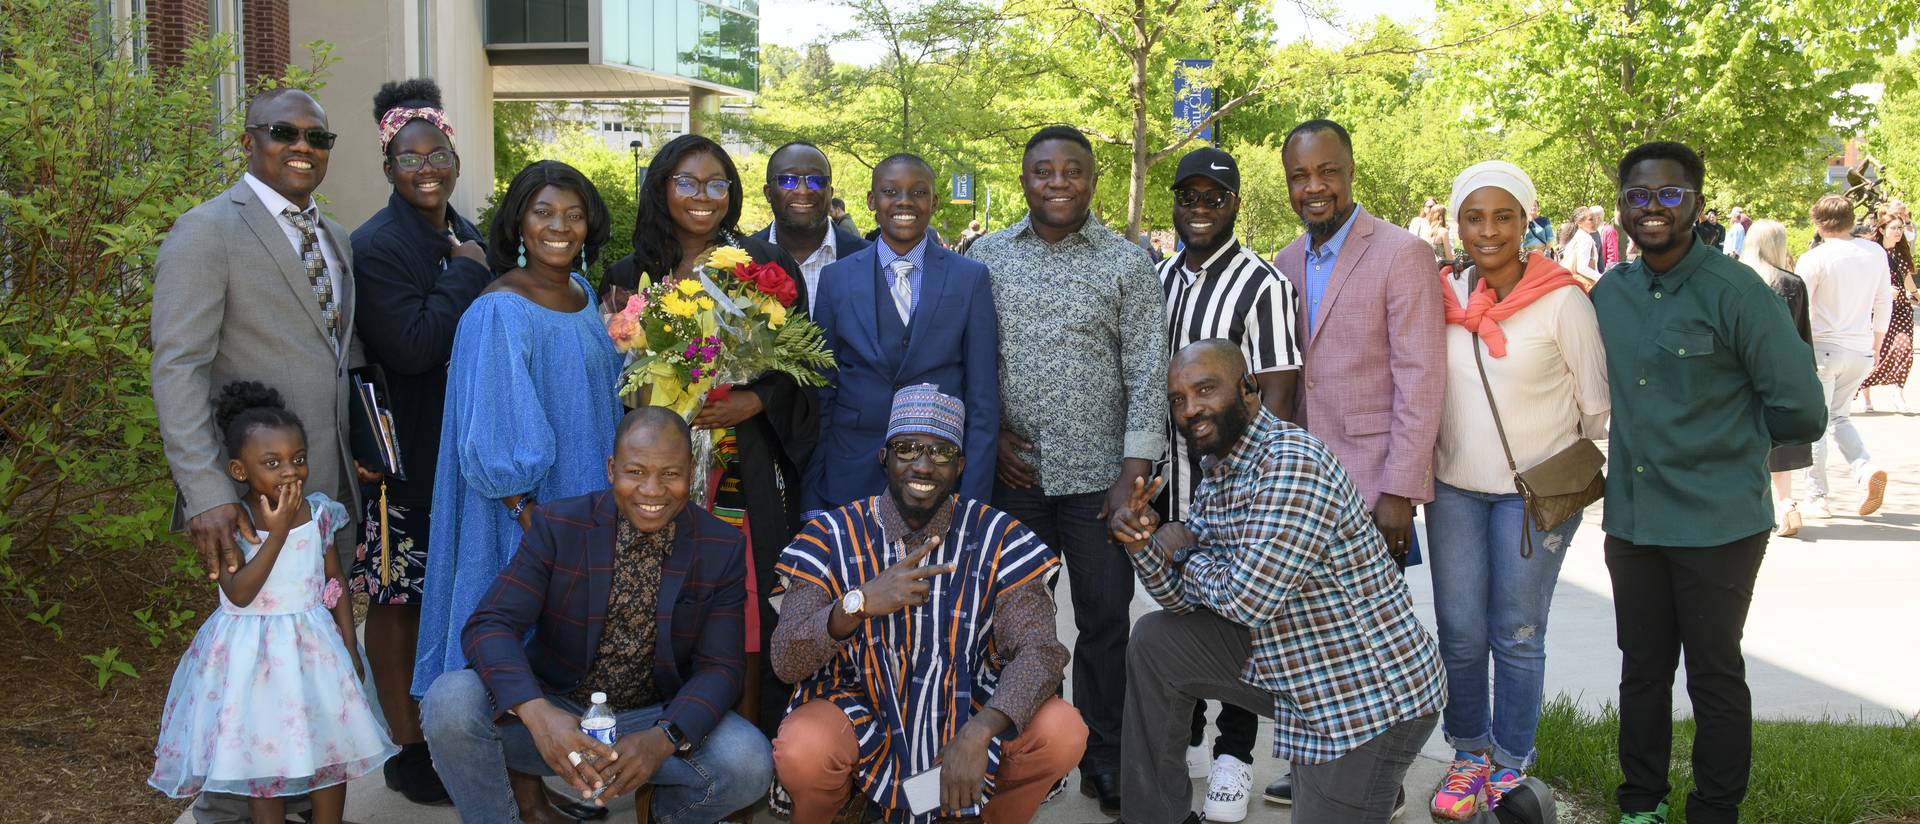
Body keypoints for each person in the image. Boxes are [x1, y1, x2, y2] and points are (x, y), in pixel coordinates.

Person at [1108, 340, 1445, 824]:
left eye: (1205, 389)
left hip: (1364, 700)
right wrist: (1144, 546)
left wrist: (1182, 552)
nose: (1190, 408)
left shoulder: (1289, 462)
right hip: (1293, 663)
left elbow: (1249, 600)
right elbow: (1183, 600)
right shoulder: (1220, 469)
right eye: (1178, 399)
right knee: (1156, 639)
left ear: (1249, 390)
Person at [1592, 141, 1825, 824]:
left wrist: (1728, 443)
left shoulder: (1738, 292)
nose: (1654, 207)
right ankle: (1641, 803)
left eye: (1670, 193)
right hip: (1633, 521)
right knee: (1641, 670)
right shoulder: (1611, 294)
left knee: (1714, 674)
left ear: (1697, 201)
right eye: (1639, 195)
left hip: (1718, 523)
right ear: (1623, 208)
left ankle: (1715, 809)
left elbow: (1802, 409)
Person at [150, 87, 362, 824]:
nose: (302, 146)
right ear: (249, 141)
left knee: (308, 666)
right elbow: (177, 365)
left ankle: (301, 796)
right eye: (283, 132)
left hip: (323, 488)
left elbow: (335, 356)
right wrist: (208, 490)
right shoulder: (207, 231)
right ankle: (229, 803)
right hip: (245, 496)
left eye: (318, 136)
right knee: (252, 671)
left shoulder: (333, 235)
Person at [420, 408, 773, 823]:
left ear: (691, 471)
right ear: (611, 469)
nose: (653, 490)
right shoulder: (560, 527)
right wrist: (537, 713)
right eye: (636, 471)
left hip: (652, 717)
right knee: (449, 701)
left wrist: (663, 738)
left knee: (750, 761)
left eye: (671, 474)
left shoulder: (720, 546)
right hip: (557, 709)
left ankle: (660, 814)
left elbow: (722, 669)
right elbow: (489, 623)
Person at [962, 124, 1166, 815]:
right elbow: (968, 364)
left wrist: (1131, 474)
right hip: (1012, 482)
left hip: (1098, 482)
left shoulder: (1127, 263)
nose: (1057, 183)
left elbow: (1146, 371)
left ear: (1092, 180)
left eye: (1071, 171)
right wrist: (985, 444)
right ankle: (1030, 756)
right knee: (1019, 628)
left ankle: (1101, 757)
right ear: (1023, 181)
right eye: (1043, 172)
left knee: (1106, 621)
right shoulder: (984, 258)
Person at [770, 386, 1083, 823]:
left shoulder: (997, 536)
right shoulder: (832, 535)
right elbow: (785, 660)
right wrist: (858, 603)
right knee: (805, 749)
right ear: (884, 458)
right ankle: (847, 809)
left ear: (960, 466)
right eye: (907, 448)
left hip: (966, 711)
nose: (922, 464)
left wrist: (980, 730)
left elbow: (1041, 652)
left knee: (1061, 732)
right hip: (860, 714)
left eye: (940, 452)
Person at [604, 134, 816, 735]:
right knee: (662, 606)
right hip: (658, 478)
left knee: (745, 609)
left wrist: (753, 399)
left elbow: (802, 370)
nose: (704, 196)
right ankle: (661, 741)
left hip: (739, 472)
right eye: (688, 182)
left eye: (717, 183)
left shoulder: (763, 268)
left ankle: (748, 746)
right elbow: (613, 375)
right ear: (662, 187)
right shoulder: (630, 273)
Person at [1265, 120, 1444, 812]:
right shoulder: (1283, 261)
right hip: (1306, 496)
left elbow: (1421, 377)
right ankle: (1318, 771)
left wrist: (1401, 490)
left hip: (1374, 487)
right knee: (1311, 641)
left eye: (1326, 172)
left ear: (1350, 171)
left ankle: (1383, 780)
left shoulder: (1401, 253)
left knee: (1371, 645)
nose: (1314, 187)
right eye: (1299, 177)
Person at [1426, 162, 1610, 820]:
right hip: (1452, 492)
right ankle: (1468, 752)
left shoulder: (1564, 301)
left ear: (1527, 219)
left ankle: (1509, 764)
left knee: (1517, 632)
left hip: (1533, 500)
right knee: (1460, 633)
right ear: (1457, 223)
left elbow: (1595, 407)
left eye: (1503, 216)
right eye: (1473, 216)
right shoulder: (1439, 296)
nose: (1488, 230)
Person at [411, 161, 623, 700]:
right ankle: (516, 783)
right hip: (526, 516)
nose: (560, 227)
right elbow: (493, 432)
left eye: (574, 215)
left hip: (589, 503)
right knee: (515, 654)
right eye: (544, 212)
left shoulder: (579, 291)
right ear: (519, 224)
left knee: (568, 659)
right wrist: (530, 520)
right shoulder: (500, 310)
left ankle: (552, 770)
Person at [149, 382, 396, 824]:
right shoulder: (231, 523)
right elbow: (239, 593)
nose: (290, 472)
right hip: (252, 657)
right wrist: (278, 533)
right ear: (239, 471)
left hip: (313, 649)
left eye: (298, 459)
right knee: (263, 757)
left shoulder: (319, 513)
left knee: (329, 747)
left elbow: (332, 580)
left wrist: (347, 643)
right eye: (272, 463)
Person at [345, 78, 490, 805]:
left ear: (454, 158)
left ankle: (449, 729)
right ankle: (407, 746)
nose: (427, 166)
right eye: (410, 156)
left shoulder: (461, 231)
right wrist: (466, 278)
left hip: (460, 453)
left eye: (438, 152)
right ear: (388, 166)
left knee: (447, 593)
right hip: (407, 459)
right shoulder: (377, 245)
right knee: (400, 599)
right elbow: (408, 345)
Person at [1153, 146, 1302, 822]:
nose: (1200, 208)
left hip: (1237, 491)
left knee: (1243, 625)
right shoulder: (1159, 278)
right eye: (1189, 197)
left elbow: (1277, 395)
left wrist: (1250, 483)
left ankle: (1234, 756)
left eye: (1214, 197)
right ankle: (1181, 737)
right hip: (1171, 484)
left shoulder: (1261, 284)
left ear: (1236, 203)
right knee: (1181, 615)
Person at [805, 153, 999, 513]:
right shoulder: (837, 279)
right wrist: (814, 493)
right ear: (871, 200)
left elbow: (983, 401)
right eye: (890, 191)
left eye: (919, 192)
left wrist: (974, 502)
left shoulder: (970, 278)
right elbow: (821, 392)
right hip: (850, 475)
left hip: (937, 476)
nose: (904, 201)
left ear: (935, 202)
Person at [1798, 193, 1895, 520]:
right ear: (1851, 220)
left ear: (1818, 223)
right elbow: (1884, 302)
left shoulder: (1814, 258)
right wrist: (1877, 343)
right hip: (1861, 347)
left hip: (1824, 347)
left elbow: (1800, 306)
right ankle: (1865, 469)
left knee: (1817, 423)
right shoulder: (1874, 253)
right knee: (1839, 417)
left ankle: (1816, 494)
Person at [1736, 219, 1815, 537]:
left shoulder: (1735, 280)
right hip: (1780, 373)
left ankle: (1746, 511)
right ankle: (1786, 506)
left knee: (1740, 443)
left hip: (1739, 375)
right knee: (1779, 443)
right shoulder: (1791, 283)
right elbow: (1800, 334)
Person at [752, 140, 870, 309]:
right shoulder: (742, 258)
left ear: (830, 192)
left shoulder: (868, 258)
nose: (803, 191)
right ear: (768, 193)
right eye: (788, 180)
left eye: (816, 181)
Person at [1859, 209, 1917, 411]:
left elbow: (1906, 277)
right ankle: (1866, 397)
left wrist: (1916, 293)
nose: (1898, 232)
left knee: (1904, 348)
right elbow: (1863, 281)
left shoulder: (1901, 252)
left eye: (1900, 228)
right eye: (1893, 228)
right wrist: (1882, 291)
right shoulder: (1872, 252)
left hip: (1901, 308)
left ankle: (1897, 393)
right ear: (1882, 229)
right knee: (1874, 352)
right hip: (1876, 309)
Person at [1561, 207, 1602, 288]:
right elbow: (1582, 267)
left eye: (1594, 218)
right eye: (1590, 219)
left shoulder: (1575, 238)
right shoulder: (1586, 239)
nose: (1594, 221)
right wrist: (1601, 278)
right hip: (1584, 286)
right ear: (1579, 223)